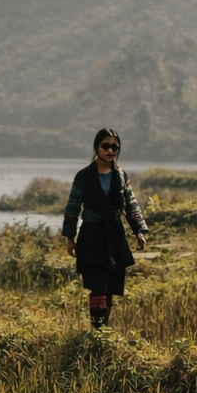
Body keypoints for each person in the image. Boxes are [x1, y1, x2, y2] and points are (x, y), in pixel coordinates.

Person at [62, 128, 148, 329]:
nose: (110, 150)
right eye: (106, 146)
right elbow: (73, 206)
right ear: (96, 147)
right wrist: (69, 238)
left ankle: (103, 331)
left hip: (115, 235)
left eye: (115, 147)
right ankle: (98, 329)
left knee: (111, 287)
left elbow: (131, 203)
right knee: (98, 284)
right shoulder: (84, 176)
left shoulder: (121, 175)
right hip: (92, 236)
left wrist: (140, 231)